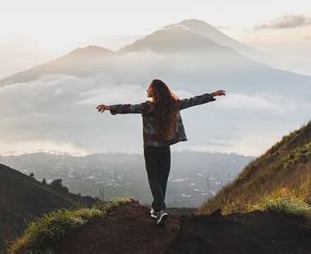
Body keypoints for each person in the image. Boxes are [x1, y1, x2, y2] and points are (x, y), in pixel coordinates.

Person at [96, 79, 226, 226]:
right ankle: (157, 209)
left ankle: (161, 209)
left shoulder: (148, 107)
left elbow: (129, 108)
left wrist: (110, 107)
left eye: (149, 88)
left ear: (154, 91)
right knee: (162, 179)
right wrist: (211, 95)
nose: (147, 90)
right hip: (165, 148)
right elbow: (192, 101)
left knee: (153, 178)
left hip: (151, 148)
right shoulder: (173, 105)